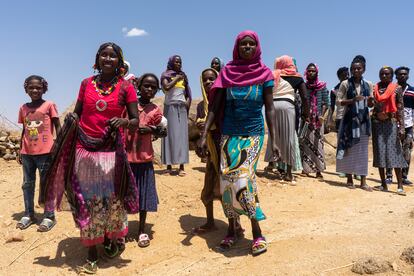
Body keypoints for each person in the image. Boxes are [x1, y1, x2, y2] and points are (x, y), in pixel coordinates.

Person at [43, 42, 139, 274]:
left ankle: (109, 237)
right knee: (89, 201)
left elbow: (135, 119)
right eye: (103, 55)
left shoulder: (126, 87)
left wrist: (125, 121)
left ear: (119, 61)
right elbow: (78, 111)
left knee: (111, 200)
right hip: (84, 150)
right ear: (97, 59)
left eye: (113, 56)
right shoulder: (86, 83)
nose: (108, 59)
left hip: (110, 153)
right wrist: (71, 118)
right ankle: (92, 252)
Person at [200, 30, 278, 256]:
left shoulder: (265, 74)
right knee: (227, 183)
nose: (247, 47)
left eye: (251, 44)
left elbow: (270, 109)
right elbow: (214, 107)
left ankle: (257, 231)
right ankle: (233, 230)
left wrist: (274, 140)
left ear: (257, 47)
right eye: (242, 44)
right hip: (229, 135)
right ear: (236, 47)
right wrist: (204, 134)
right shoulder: (227, 73)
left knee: (243, 180)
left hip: (253, 133)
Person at [125, 73, 165, 248]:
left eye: (153, 87)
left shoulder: (155, 110)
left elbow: (163, 132)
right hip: (126, 159)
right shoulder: (129, 106)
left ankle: (142, 230)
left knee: (143, 196)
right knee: (123, 196)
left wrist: (150, 129)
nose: (149, 89)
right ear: (138, 86)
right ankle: (121, 229)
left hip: (144, 159)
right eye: (146, 86)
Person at [16, 75, 61, 231]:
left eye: (38, 88)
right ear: (26, 89)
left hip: (46, 152)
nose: (35, 90)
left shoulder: (49, 105)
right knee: (27, 184)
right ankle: (29, 214)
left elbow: (58, 125)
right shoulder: (23, 108)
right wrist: (20, 149)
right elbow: (24, 129)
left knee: (46, 184)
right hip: (27, 152)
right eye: (31, 87)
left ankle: (49, 216)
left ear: (44, 89)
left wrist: (59, 145)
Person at [263, 55, 309, 182]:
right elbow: (305, 97)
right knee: (289, 138)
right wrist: (307, 114)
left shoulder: (273, 75)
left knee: (275, 136)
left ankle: (279, 168)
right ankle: (289, 172)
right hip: (287, 106)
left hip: (272, 106)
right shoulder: (297, 78)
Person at [336, 56, 373, 191]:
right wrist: (353, 100)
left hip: (363, 121)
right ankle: (349, 178)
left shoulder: (368, 84)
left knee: (363, 151)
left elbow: (371, 101)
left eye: (359, 68)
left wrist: (370, 102)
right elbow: (338, 101)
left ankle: (363, 181)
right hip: (349, 121)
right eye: (354, 68)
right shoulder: (345, 84)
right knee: (349, 149)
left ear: (363, 69)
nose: (356, 70)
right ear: (351, 70)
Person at [371, 66, 407, 195]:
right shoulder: (375, 89)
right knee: (380, 153)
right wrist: (370, 102)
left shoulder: (396, 88)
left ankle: (400, 185)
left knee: (395, 153)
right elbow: (371, 105)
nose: (384, 76)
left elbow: (400, 109)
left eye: (387, 74)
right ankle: (383, 184)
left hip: (391, 124)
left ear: (392, 76)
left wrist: (402, 127)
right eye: (382, 74)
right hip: (376, 124)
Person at [161, 55, 191, 176]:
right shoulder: (166, 75)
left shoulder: (184, 76)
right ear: (171, 63)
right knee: (169, 135)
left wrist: (186, 104)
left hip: (181, 108)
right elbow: (166, 87)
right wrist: (176, 78)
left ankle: (181, 166)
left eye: (180, 62)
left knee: (181, 136)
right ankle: (168, 166)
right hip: (170, 107)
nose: (178, 63)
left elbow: (188, 93)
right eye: (176, 61)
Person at [385, 67, 414, 185]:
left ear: (408, 76)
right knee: (391, 149)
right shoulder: (391, 89)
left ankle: (404, 176)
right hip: (392, 123)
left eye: (405, 74)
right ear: (396, 76)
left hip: (409, 124)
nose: (402, 76)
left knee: (406, 149)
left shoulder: (412, 91)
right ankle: (389, 176)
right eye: (400, 74)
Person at [300, 63, 330, 179]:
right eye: (309, 71)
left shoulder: (322, 86)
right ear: (306, 73)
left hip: (318, 121)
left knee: (319, 145)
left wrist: (321, 115)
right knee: (306, 144)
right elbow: (301, 101)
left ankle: (318, 171)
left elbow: (326, 103)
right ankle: (306, 169)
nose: (311, 73)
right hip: (306, 120)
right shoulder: (303, 86)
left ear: (317, 73)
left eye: (313, 71)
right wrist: (305, 115)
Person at [329, 67, 349, 131]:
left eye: (348, 74)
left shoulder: (353, 87)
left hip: (352, 117)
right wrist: (329, 118)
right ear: (339, 77)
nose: (347, 77)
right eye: (345, 75)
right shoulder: (334, 90)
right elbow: (332, 106)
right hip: (340, 117)